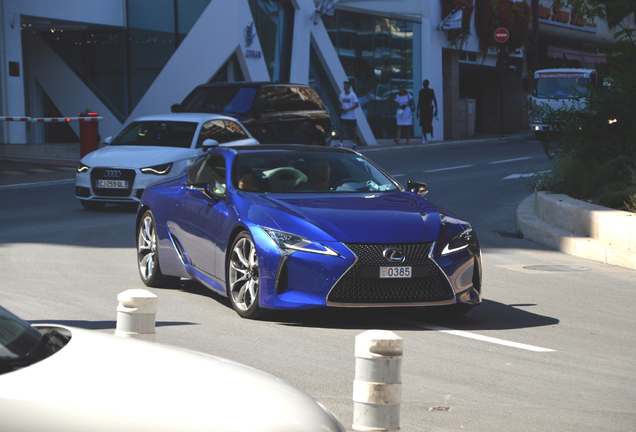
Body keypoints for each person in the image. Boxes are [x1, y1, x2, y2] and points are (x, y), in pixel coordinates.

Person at [338, 81, 359, 149]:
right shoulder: (342, 95)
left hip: (352, 116)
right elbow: (340, 103)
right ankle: (340, 143)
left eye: (346, 86)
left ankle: (354, 144)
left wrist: (348, 109)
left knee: (353, 130)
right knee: (342, 128)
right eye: (344, 85)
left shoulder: (352, 95)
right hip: (344, 116)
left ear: (349, 87)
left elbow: (357, 105)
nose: (345, 87)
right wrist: (341, 108)